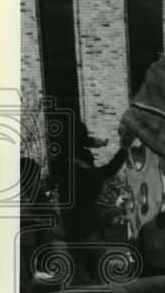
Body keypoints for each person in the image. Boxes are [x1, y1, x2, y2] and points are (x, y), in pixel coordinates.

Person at [48, 120, 129, 282]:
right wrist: (123, 151)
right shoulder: (78, 165)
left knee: (77, 273)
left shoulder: (63, 162)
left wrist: (93, 142)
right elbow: (105, 172)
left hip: (71, 226)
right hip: (86, 224)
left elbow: (73, 142)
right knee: (100, 271)